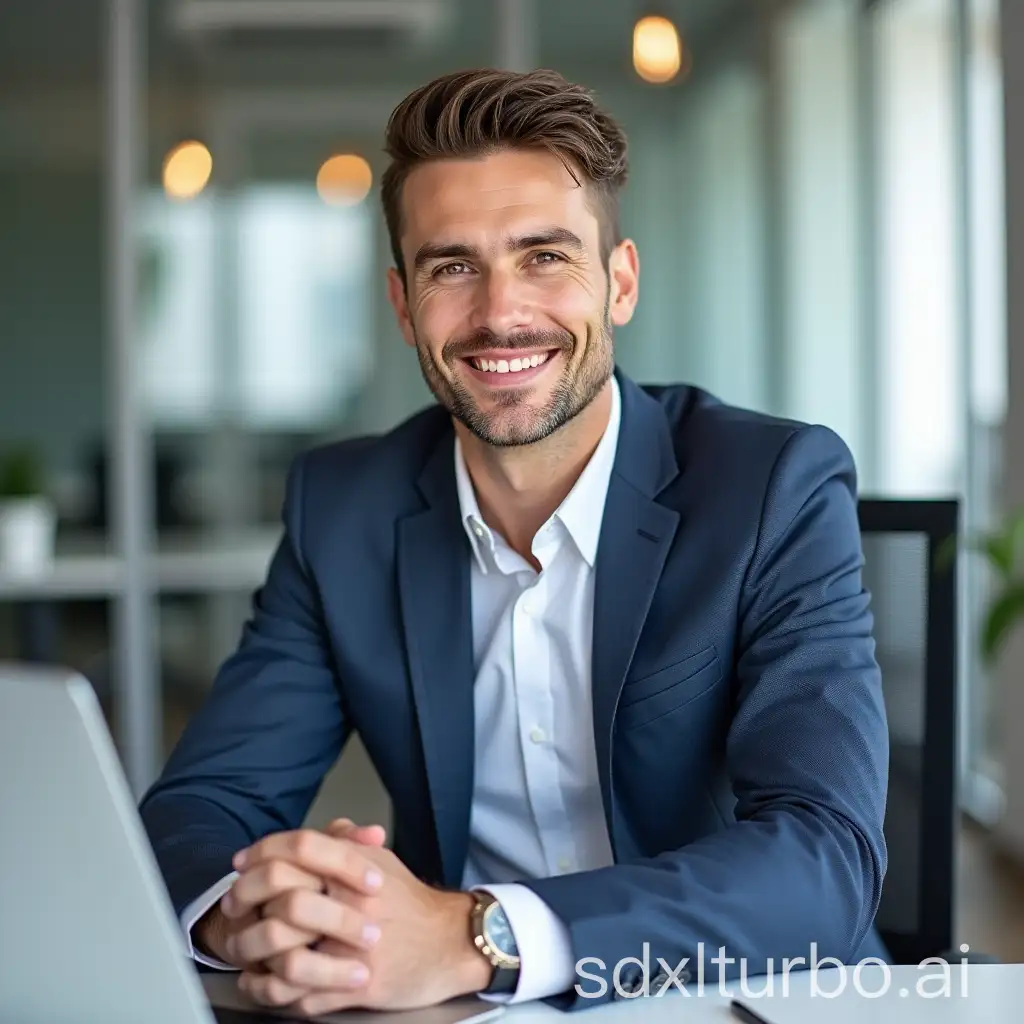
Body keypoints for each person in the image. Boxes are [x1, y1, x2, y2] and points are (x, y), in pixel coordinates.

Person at [140, 67, 889, 1017]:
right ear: (404, 304)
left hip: (745, 995)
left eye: (545, 257)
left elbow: (825, 859)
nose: (500, 312)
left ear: (618, 284)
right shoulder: (343, 510)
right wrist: (253, 916)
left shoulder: (773, 488)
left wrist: (476, 936)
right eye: (452, 265)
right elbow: (203, 806)